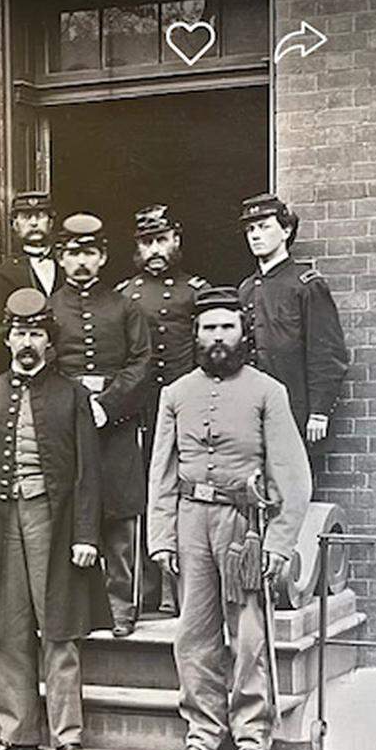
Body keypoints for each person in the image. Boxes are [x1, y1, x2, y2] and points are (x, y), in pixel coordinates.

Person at [147, 287, 311, 750]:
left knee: (249, 637)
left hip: (244, 529)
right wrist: (162, 536)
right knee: (193, 636)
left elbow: (294, 478)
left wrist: (279, 544)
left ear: (243, 333)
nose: (218, 337)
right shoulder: (175, 395)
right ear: (196, 335)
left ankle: (252, 738)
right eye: (208, 329)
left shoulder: (268, 392)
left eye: (226, 328)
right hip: (190, 521)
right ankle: (203, 735)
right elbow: (162, 471)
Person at [0, 288, 111, 750]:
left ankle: (67, 734)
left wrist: (87, 535)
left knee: (60, 628)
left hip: (55, 520)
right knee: (8, 627)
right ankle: (16, 730)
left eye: (36, 334)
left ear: (49, 341)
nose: (27, 342)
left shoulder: (73, 396)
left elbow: (90, 472)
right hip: (2, 521)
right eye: (20, 334)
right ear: (7, 339)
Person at [49, 213, 152, 637]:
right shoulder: (50, 308)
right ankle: (74, 606)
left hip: (114, 427)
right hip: (66, 428)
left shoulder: (125, 306)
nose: (81, 262)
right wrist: (72, 406)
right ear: (61, 257)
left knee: (119, 512)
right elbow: (44, 363)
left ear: (103, 256)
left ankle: (121, 605)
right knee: (68, 512)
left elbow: (143, 363)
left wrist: (107, 405)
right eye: (73, 253)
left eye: (89, 253)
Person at [115, 204, 209, 616]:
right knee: (145, 494)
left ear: (176, 240)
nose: (154, 249)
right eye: (146, 242)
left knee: (182, 492)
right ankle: (146, 589)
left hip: (184, 406)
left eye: (161, 240)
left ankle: (181, 590)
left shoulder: (197, 292)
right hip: (142, 410)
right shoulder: (125, 295)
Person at [237, 194, 349, 453]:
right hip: (251, 409)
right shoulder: (244, 289)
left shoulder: (306, 284)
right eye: (250, 229)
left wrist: (320, 411)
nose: (255, 235)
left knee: (292, 485)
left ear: (286, 230)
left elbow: (328, 352)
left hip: (293, 407)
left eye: (264, 226)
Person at [0, 191, 62, 379]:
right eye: (26, 217)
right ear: (15, 225)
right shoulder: (5, 275)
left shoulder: (67, 265)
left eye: (40, 216)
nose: (34, 223)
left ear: (50, 223)